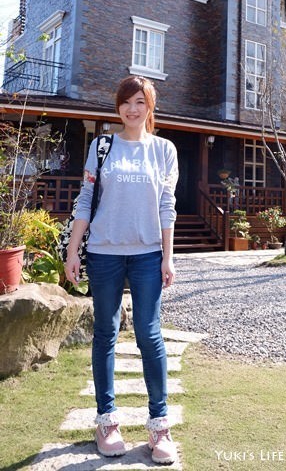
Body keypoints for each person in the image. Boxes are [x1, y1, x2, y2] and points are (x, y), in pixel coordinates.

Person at [64, 75, 178, 465]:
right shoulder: (102, 146)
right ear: (118, 107)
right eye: (127, 102)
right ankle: (106, 421)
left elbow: (167, 207)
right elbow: (85, 199)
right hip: (103, 253)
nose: (133, 109)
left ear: (150, 107)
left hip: (147, 254)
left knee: (149, 334)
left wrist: (168, 256)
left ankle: (159, 426)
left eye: (140, 102)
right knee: (105, 332)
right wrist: (72, 250)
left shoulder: (164, 150)